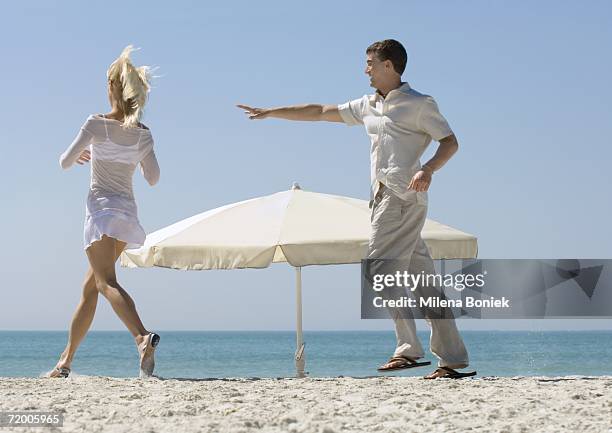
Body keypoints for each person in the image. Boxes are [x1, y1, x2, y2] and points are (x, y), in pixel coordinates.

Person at [238, 39, 475, 379]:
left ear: (389, 66)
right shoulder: (368, 105)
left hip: (403, 196)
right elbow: (320, 111)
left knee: (378, 270)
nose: (365, 69)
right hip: (380, 198)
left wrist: (429, 169)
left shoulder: (419, 104)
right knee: (424, 282)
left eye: (370, 63)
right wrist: (272, 112)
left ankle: (409, 349)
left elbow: (450, 141)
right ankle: (452, 359)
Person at [49, 46, 161, 378]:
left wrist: (85, 152)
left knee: (106, 281)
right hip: (126, 216)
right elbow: (153, 178)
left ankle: (141, 336)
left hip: (100, 214)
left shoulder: (96, 124)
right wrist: (136, 160)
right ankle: (65, 361)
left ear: (112, 87)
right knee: (91, 286)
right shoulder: (143, 134)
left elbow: (64, 161)